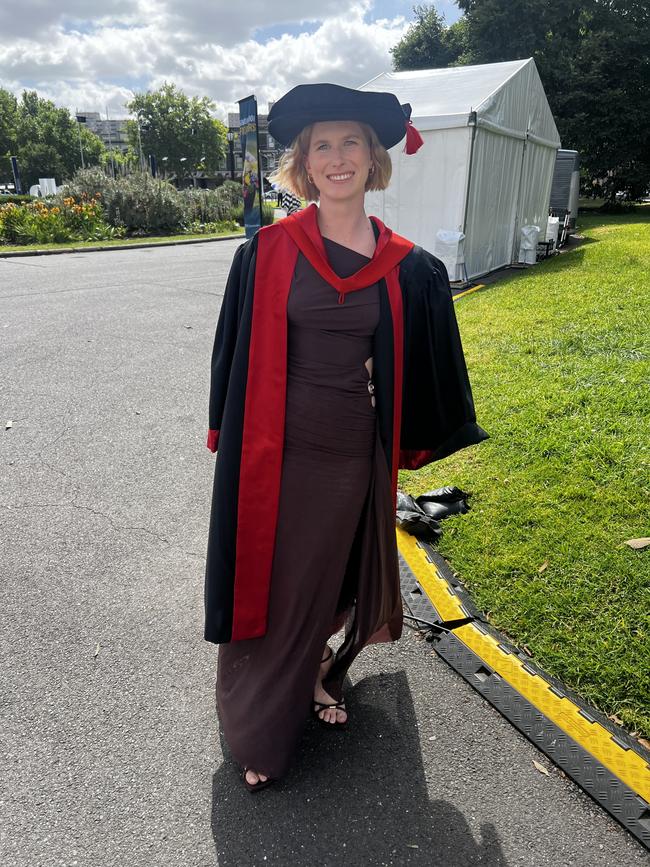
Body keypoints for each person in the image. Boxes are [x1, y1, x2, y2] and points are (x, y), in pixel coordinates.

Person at [204, 83, 488, 792]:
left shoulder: (406, 266)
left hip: (352, 455)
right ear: (303, 162)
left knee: (329, 574)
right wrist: (223, 430)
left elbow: (421, 360)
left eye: (350, 143)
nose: (337, 158)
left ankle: (319, 674)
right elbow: (230, 351)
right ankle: (262, 721)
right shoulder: (266, 252)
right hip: (277, 451)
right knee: (278, 579)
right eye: (321, 146)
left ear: (373, 156)